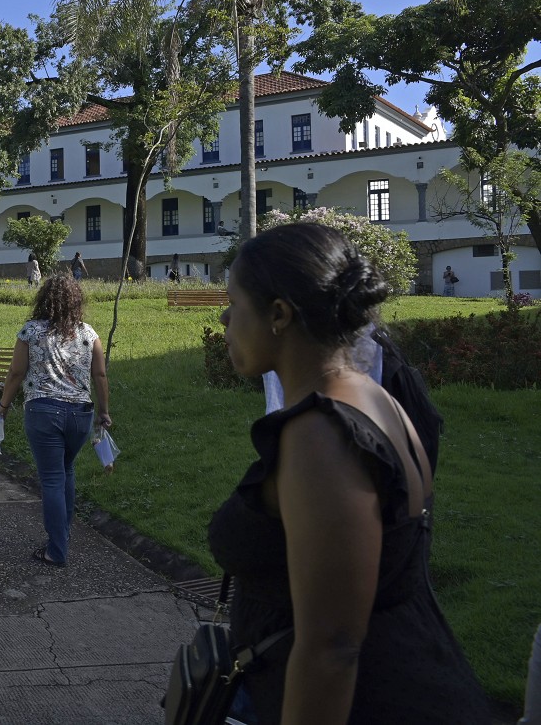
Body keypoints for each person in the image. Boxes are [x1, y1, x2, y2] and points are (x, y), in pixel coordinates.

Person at [207, 222, 489, 725]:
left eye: (234, 302)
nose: (225, 316)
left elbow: (331, 648)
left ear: (278, 314)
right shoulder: (373, 397)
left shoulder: (321, 435)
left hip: (376, 701)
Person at [0, 274, 109, 567]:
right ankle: (62, 535)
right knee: (66, 471)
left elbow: (16, 373)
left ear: (44, 299)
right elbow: (100, 375)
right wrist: (104, 411)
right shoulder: (89, 334)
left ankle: (57, 549)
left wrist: (3, 405)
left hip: (44, 412)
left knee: (53, 478)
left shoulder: (30, 331)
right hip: (82, 413)